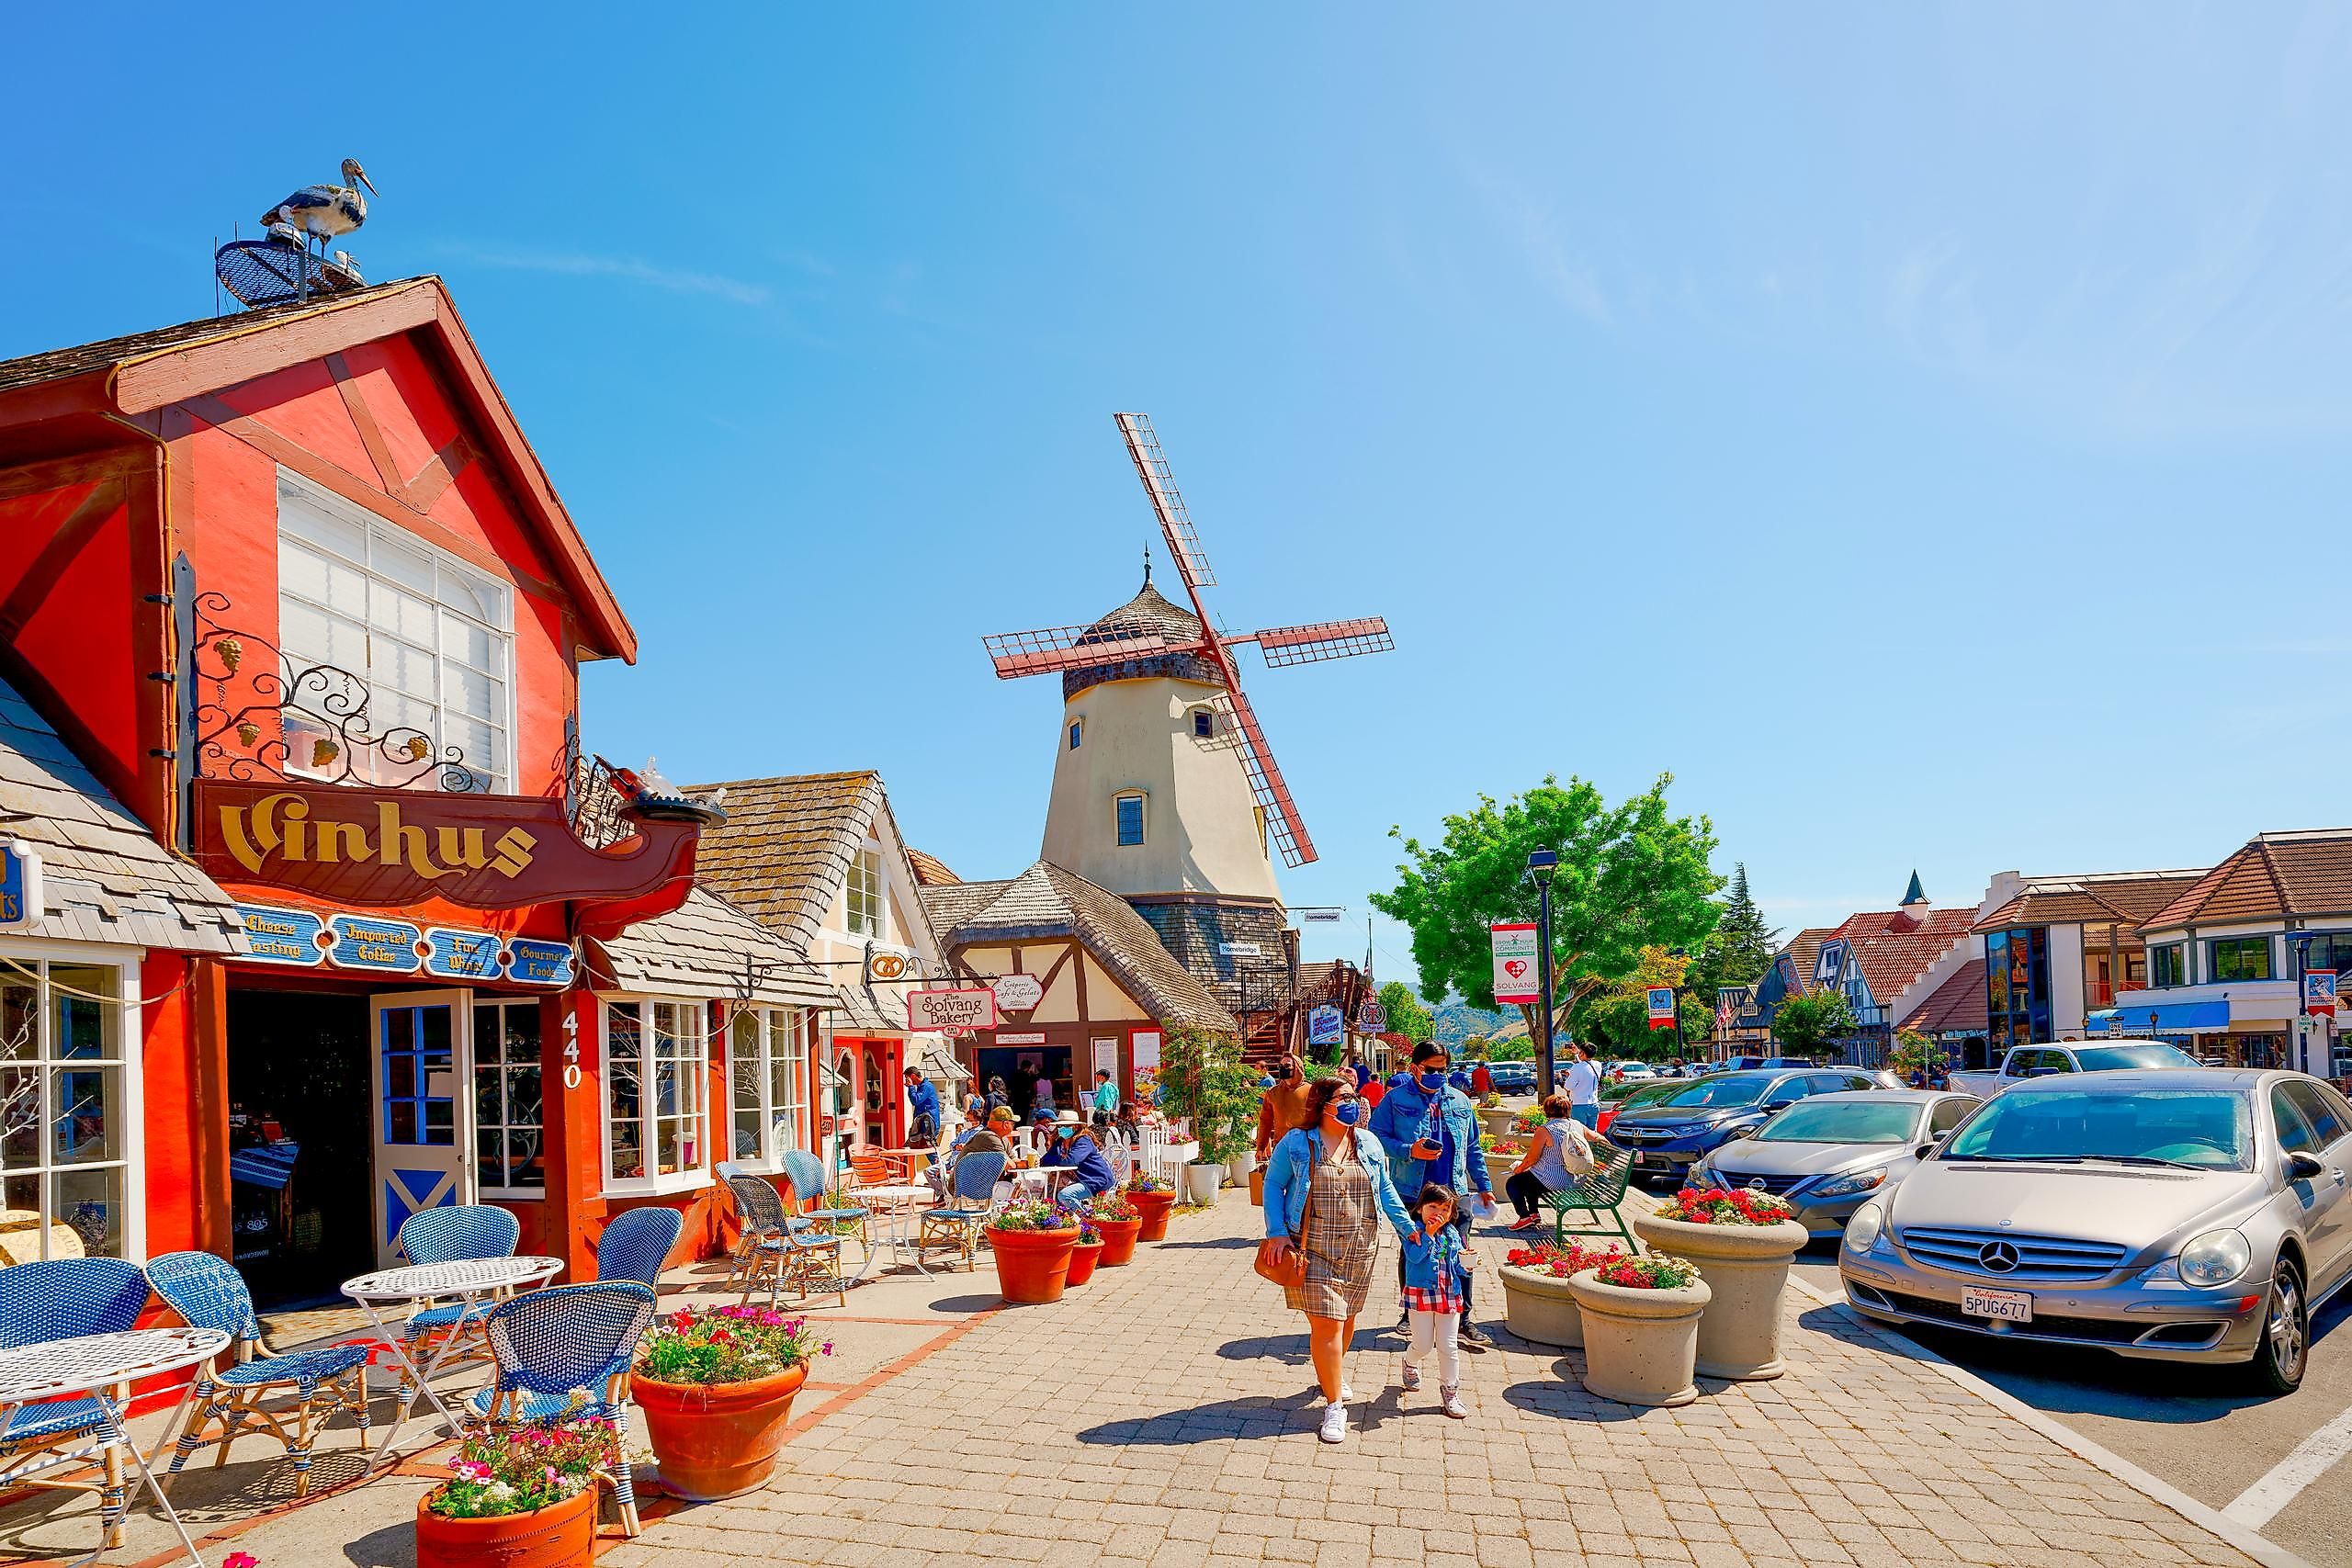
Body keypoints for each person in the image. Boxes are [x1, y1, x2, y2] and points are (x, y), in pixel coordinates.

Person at [1261, 1077, 1416, 1445]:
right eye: (1345, 1097)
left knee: (1347, 1320)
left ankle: (1330, 1372)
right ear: (1323, 1103)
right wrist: (1277, 1230)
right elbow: (1272, 1183)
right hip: (1312, 1247)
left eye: (1355, 1097)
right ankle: (1334, 1406)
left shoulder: (1368, 1142)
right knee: (1327, 1324)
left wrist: (1408, 1228)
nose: (1354, 1103)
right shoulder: (1298, 1142)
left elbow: (1386, 1189)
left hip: (1362, 1247)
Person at [1366, 1041, 1496, 1348]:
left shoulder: (1461, 1101)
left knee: (1461, 1254)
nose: (1440, 1075)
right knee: (1413, 1252)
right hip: (1413, 1193)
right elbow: (1375, 1137)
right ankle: (1411, 1315)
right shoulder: (1395, 1099)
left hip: (1455, 1193)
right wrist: (1408, 1150)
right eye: (1433, 1069)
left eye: (1444, 1069)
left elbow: (1473, 1147)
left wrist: (1485, 1186)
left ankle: (1463, 1319)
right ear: (1415, 1068)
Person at [1398, 1183, 1479, 1418]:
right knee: (1423, 1345)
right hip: (1421, 1294)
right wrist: (1429, 1236)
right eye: (1432, 1206)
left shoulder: (1453, 1234)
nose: (1438, 1213)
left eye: (1445, 1208)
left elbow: (1457, 1267)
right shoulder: (1413, 1231)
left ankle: (1450, 1392)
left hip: (1449, 1295)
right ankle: (1409, 1362)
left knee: (1448, 1345)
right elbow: (1413, 1257)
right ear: (1421, 1208)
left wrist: (1468, 1266)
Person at [1502, 1094, 1597, 1230]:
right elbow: (1595, 1136)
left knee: (1513, 1183)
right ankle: (1534, 1213)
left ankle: (1524, 1217)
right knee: (1531, 1177)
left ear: (1547, 1110)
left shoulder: (1545, 1130)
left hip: (1552, 1181)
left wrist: (1518, 1169)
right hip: (1573, 1179)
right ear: (1567, 1110)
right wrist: (1610, 1146)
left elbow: (1532, 1158)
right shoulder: (1576, 1125)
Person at [1042, 1111, 1118, 1213]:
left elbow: (1071, 1161)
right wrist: (1056, 1159)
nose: (1062, 1128)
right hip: (1080, 1179)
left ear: (1076, 1127)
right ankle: (1064, 1220)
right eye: (1060, 1126)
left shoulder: (1083, 1140)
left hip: (1095, 1180)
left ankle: (1086, 1220)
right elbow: (1045, 1159)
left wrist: (1055, 1160)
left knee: (1065, 1195)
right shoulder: (1060, 1142)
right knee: (1052, 1191)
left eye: (1066, 1126)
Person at [1254, 1055, 1314, 1165]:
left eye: (1287, 1065)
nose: (1283, 1068)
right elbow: (1265, 1121)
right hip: (1281, 1146)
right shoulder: (1273, 1093)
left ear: (1297, 1067)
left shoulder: (1311, 1091)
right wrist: (1261, 1147)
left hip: (1306, 1147)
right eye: (1280, 1065)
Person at [1565, 1044, 1602, 1129]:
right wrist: (1577, 1053)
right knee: (1592, 1132)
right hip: (1594, 1103)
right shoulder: (1598, 1065)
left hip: (1579, 1104)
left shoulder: (1577, 1067)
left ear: (1583, 1053)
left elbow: (1568, 1086)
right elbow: (1587, 1064)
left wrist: (1569, 1076)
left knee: (1579, 1133)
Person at [904, 1066, 942, 1147]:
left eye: (907, 1078)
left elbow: (916, 1100)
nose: (906, 1080)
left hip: (929, 1125)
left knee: (929, 1150)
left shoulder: (926, 1086)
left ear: (913, 1076)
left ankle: (938, 1161)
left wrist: (911, 1087)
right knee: (913, 1146)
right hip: (923, 1124)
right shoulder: (921, 1086)